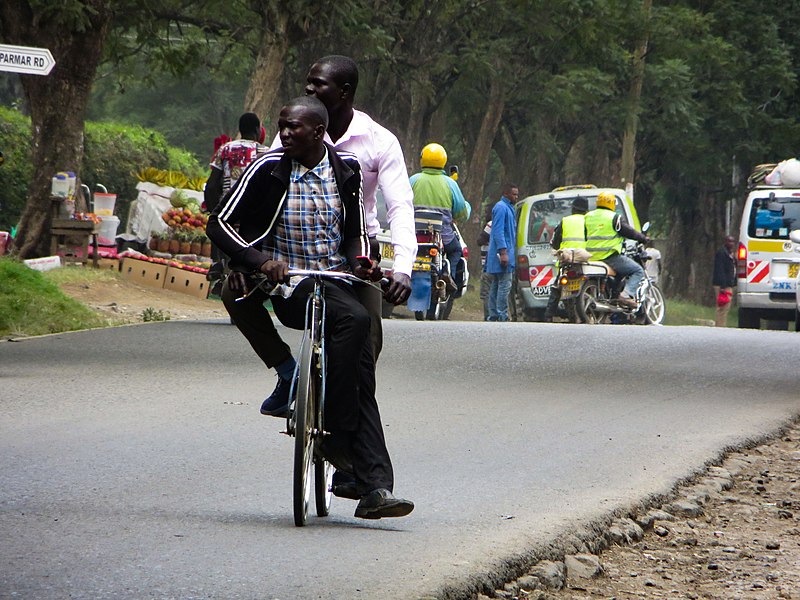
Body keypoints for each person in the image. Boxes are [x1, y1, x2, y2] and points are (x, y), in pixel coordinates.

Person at [206, 96, 413, 520]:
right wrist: (255, 261)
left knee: (357, 345)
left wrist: (362, 262)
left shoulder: (347, 169)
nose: (284, 134)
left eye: (293, 128)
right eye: (282, 126)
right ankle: (289, 374)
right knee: (235, 295)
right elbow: (219, 222)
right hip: (285, 279)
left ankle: (366, 474)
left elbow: (355, 232)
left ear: (319, 133)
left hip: (333, 278)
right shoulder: (267, 167)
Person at [270, 54, 416, 366]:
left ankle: (355, 404)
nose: (308, 90)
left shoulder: (380, 141)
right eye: (307, 83)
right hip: (299, 249)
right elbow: (265, 192)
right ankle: (286, 374)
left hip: (357, 251)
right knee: (237, 295)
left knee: (367, 338)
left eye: (317, 84)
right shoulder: (291, 132)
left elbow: (400, 207)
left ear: (344, 92)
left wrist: (402, 268)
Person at [203, 113, 267, 287]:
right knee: (247, 257)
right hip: (252, 218)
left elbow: (212, 185)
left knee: (227, 253)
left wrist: (213, 212)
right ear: (257, 129)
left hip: (228, 214)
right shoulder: (265, 153)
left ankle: (221, 271)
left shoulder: (225, 149)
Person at [409, 142, 471, 283]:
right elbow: (462, 214)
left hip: (414, 234)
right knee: (456, 251)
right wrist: (467, 207)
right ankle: (448, 278)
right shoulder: (450, 184)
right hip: (443, 237)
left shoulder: (413, 180)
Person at [584, 191, 649, 308]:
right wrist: (643, 238)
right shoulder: (614, 217)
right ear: (612, 203)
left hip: (590, 256)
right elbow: (629, 232)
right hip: (609, 256)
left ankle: (613, 294)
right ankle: (626, 295)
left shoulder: (588, 216)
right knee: (637, 270)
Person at [544, 196, 588, 321]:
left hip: (567, 260)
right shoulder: (588, 221)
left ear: (573, 209)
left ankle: (548, 316)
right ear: (586, 210)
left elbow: (554, 242)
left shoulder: (565, 221)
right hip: (585, 259)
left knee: (557, 286)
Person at [485, 183, 519, 321]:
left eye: (517, 194)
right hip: (502, 253)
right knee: (505, 284)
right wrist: (503, 252)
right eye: (514, 194)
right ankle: (501, 314)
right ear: (506, 193)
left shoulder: (509, 208)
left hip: (505, 252)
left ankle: (493, 315)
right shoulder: (501, 208)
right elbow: (498, 231)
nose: (516, 197)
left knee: (496, 285)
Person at [712, 235, 736, 327]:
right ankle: (719, 325)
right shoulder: (722, 253)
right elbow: (720, 270)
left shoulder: (730, 254)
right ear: (725, 242)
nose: (731, 244)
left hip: (728, 284)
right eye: (729, 241)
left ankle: (722, 324)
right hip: (722, 284)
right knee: (722, 306)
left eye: (733, 242)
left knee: (726, 307)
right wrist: (722, 286)